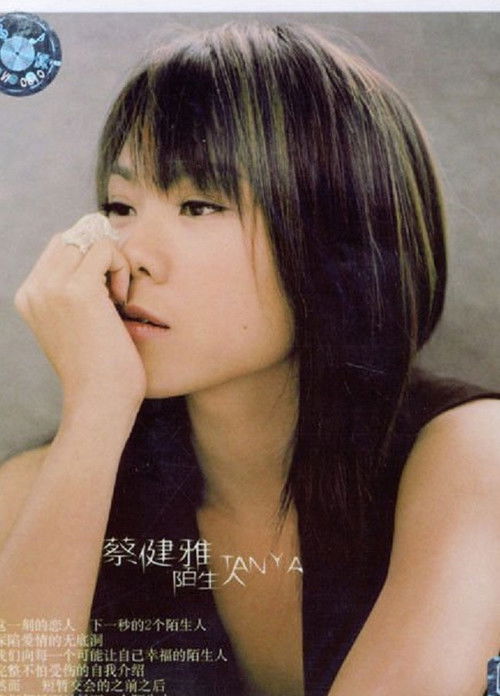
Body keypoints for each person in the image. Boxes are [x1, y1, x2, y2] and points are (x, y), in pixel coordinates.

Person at [0, 20, 499, 696]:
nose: (129, 253)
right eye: (119, 205)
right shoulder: (42, 486)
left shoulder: (470, 457)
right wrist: (93, 411)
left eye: (198, 205)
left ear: (340, 234)